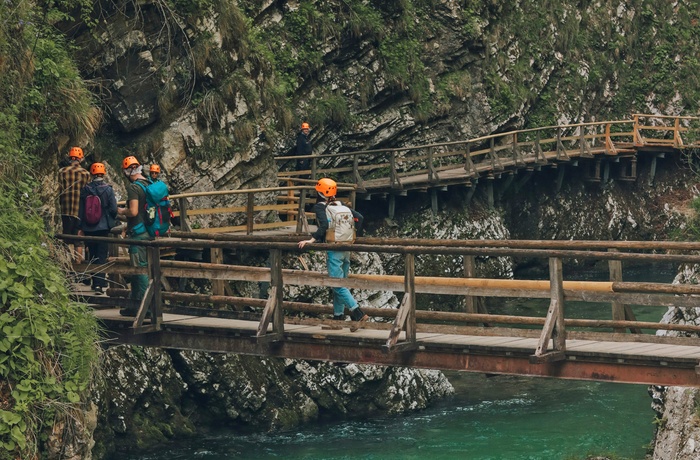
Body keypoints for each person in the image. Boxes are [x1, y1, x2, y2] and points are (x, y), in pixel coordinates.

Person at [298, 178, 368, 328]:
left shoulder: (320, 207)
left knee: (336, 284)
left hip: (334, 248)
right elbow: (359, 218)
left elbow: (323, 226)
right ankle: (338, 317)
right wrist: (355, 237)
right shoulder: (341, 204)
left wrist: (311, 240)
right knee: (340, 283)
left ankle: (358, 312)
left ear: (320, 192)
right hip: (347, 247)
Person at [117, 155, 153, 315]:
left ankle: (146, 309)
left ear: (129, 171)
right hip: (149, 231)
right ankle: (136, 306)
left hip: (138, 235)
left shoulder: (134, 188)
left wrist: (120, 211)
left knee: (139, 271)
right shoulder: (148, 183)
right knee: (144, 269)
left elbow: (133, 211)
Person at [78, 162, 118, 295]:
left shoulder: (85, 189)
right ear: (103, 173)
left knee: (92, 255)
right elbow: (113, 209)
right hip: (103, 227)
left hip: (89, 227)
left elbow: (81, 210)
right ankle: (99, 285)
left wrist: (80, 227)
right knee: (101, 255)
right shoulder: (108, 189)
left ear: (91, 174)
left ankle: (95, 281)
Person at [58, 146, 91, 263]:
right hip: (79, 210)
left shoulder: (61, 172)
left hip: (65, 209)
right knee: (79, 238)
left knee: (66, 237)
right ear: (81, 159)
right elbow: (87, 193)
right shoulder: (85, 174)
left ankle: (66, 263)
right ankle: (78, 264)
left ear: (69, 158)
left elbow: (59, 190)